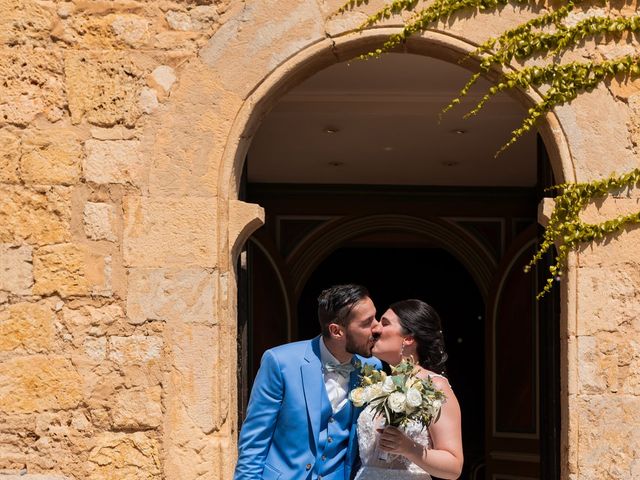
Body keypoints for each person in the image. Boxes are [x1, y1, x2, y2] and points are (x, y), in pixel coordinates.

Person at [234, 284, 382, 480]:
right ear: (336, 331)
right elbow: (254, 442)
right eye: (367, 323)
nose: (378, 327)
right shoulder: (280, 363)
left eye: (376, 317)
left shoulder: (373, 368)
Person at [354, 299, 463, 480]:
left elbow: (454, 467)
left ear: (409, 338)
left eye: (385, 323)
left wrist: (408, 448)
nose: (375, 329)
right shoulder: (379, 384)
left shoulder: (434, 385)